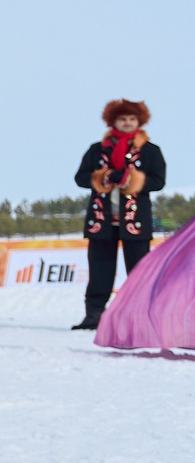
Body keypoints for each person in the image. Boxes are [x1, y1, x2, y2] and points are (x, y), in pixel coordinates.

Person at [75, 100, 165, 330]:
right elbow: (80, 177)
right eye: (122, 119)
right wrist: (102, 178)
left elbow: (158, 181)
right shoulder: (97, 149)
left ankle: (142, 316)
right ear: (113, 121)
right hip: (102, 221)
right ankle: (94, 314)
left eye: (132, 119)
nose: (127, 123)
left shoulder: (150, 151)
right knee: (100, 270)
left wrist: (131, 181)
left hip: (135, 221)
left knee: (140, 272)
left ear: (139, 122)